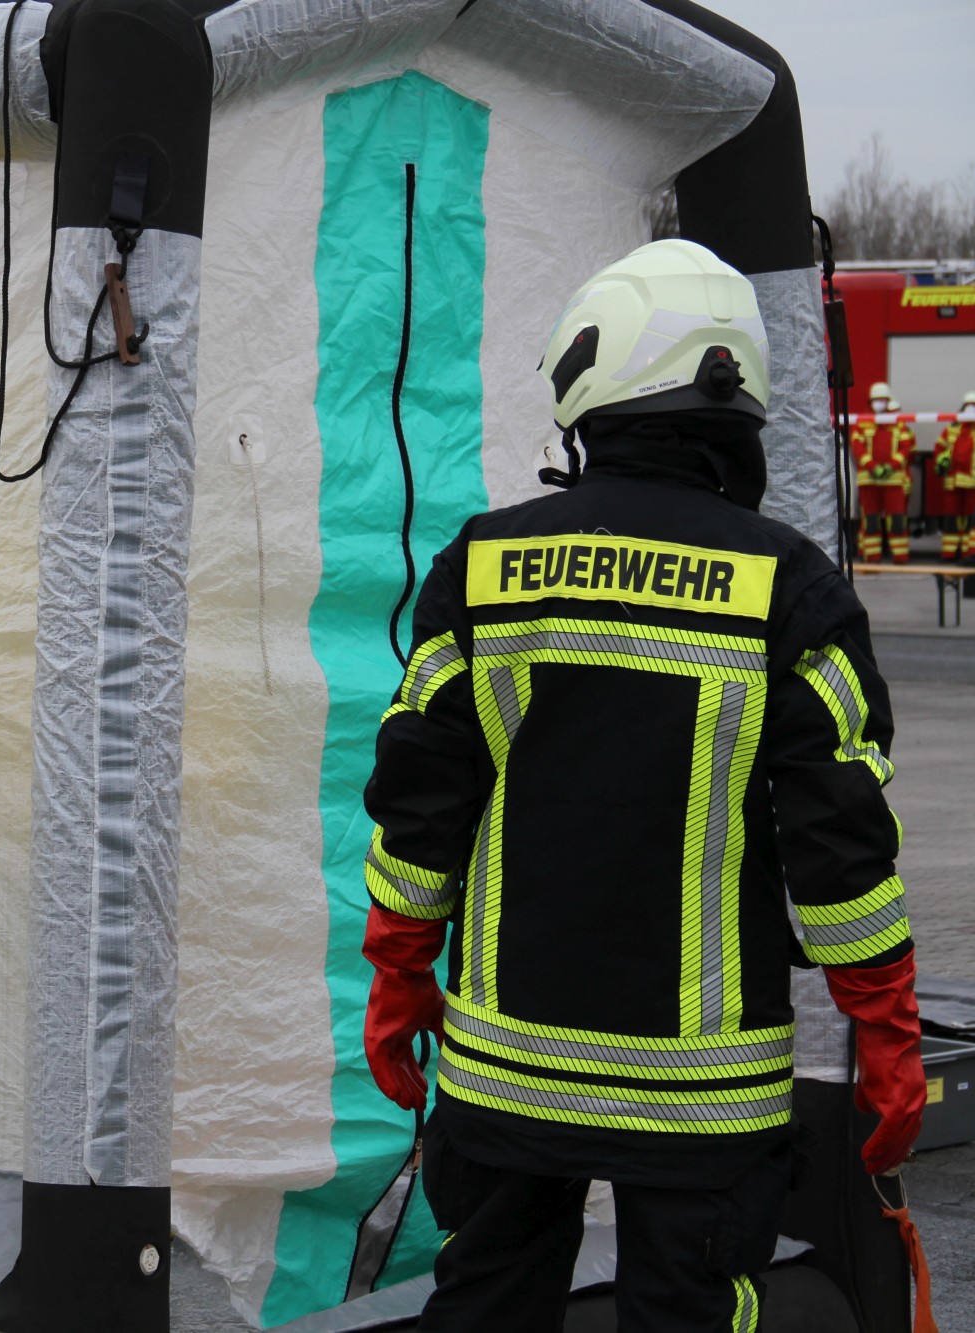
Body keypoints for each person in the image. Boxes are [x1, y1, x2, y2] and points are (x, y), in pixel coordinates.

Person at [358, 239, 925, 1332]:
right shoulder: (790, 589)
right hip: (704, 1097)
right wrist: (890, 1040)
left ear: (594, 386)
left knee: (484, 1309)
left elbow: (420, 805)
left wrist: (397, 975)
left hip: (507, 1074)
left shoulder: (482, 566)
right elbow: (841, 850)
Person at [853, 382, 916, 563]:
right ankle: (872, 556)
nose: (879, 403)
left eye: (883, 400)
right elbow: (857, 446)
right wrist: (872, 466)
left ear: (888, 401)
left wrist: (891, 466)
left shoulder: (898, 424)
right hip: (869, 480)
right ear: (870, 402)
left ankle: (900, 555)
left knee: (897, 519)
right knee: (870, 520)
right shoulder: (862, 423)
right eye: (876, 400)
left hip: (893, 480)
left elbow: (905, 447)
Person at [934, 391, 975, 561]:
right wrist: (941, 460)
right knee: (951, 518)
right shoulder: (952, 428)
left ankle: (970, 552)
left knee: (971, 519)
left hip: (973, 482)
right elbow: (940, 447)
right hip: (952, 482)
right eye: (968, 406)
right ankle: (949, 552)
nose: (971, 409)